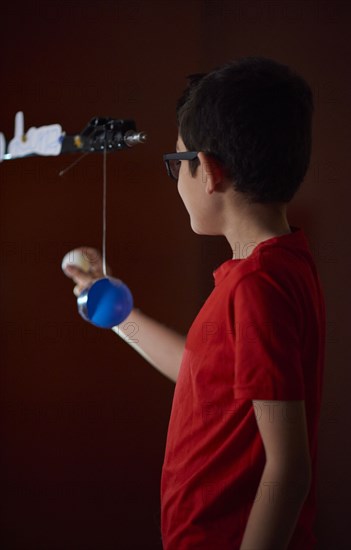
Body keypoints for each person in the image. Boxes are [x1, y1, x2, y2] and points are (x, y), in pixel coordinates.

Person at [64, 56, 325, 549]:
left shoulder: (258, 287)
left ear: (206, 171)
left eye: (176, 163)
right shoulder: (278, 268)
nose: (177, 180)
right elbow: (202, 374)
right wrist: (118, 316)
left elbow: (289, 471)